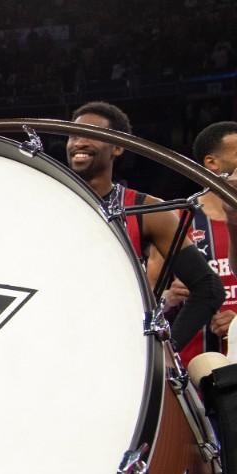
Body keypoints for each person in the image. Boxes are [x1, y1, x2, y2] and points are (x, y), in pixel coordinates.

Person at [67, 101, 222, 350]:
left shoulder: (147, 209)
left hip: (120, 344)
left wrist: (165, 350)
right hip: (62, 337)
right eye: (73, 135)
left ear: (117, 147)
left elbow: (209, 288)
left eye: (90, 135)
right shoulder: (52, 202)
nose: (78, 143)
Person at [167, 121, 237, 363]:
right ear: (212, 163)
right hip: (194, 367)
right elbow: (149, 294)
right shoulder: (177, 219)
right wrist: (168, 296)